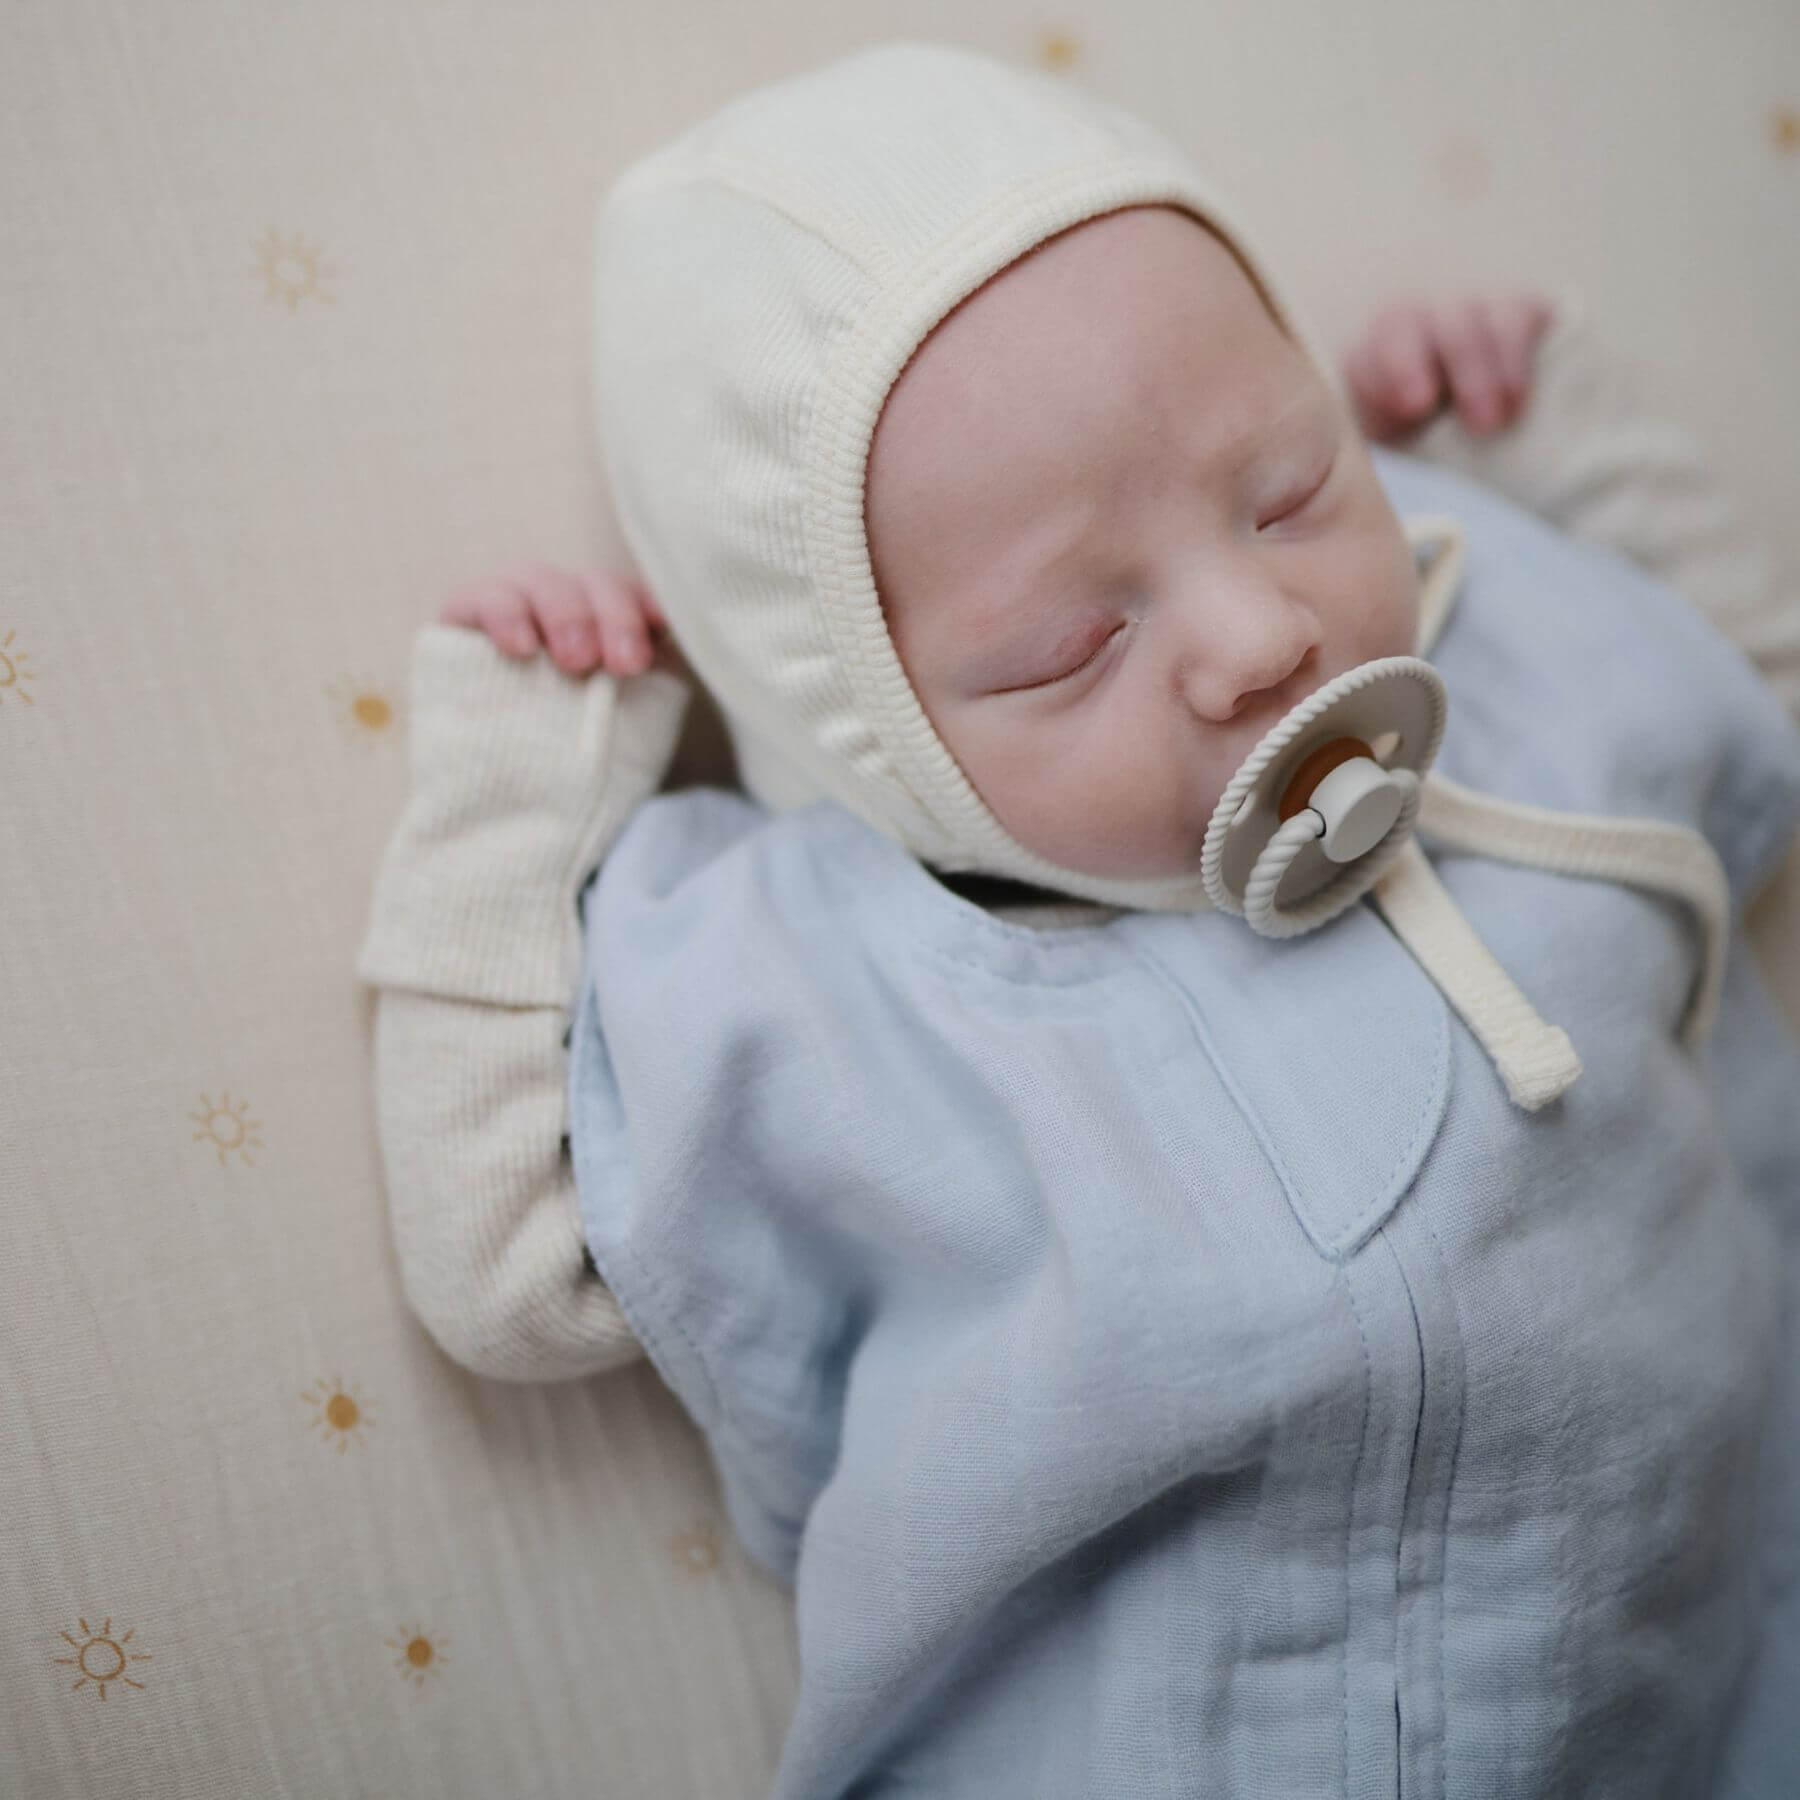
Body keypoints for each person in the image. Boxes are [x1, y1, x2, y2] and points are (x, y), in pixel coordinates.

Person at [356, 41, 1800, 1798]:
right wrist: (531, 772)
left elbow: (1752, 729)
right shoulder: (836, 978)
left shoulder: (1488, 653)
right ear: (860, 718)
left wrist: (1548, 438)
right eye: (1068, 645)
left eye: (1291, 493)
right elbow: (509, 1271)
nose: (1258, 632)